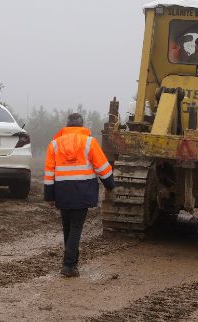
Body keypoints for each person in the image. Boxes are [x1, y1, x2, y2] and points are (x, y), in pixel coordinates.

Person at [43, 113, 115, 277]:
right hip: (82, 191)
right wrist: (110, 185)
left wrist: (49, 196)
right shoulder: (90, 142)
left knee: (68, 227)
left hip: (62, 191)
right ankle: (68, 265)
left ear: (67, 126)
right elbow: (102, 167)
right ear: (82, 126)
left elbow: (49, 173)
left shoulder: (54, 144)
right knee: (76, 228)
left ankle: (72, 264)